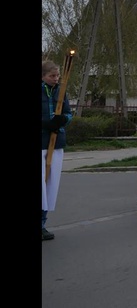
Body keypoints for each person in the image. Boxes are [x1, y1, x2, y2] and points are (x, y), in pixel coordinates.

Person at [41, 60, 73, 241]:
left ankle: (43, 223)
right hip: (41, 141)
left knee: (50, 186)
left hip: (56, 142)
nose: (56, 79)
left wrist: (63, 120)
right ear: (43, 76)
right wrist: (46, 124)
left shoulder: (61, 91)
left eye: (57, 75)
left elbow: (68, 113)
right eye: (52, 76)